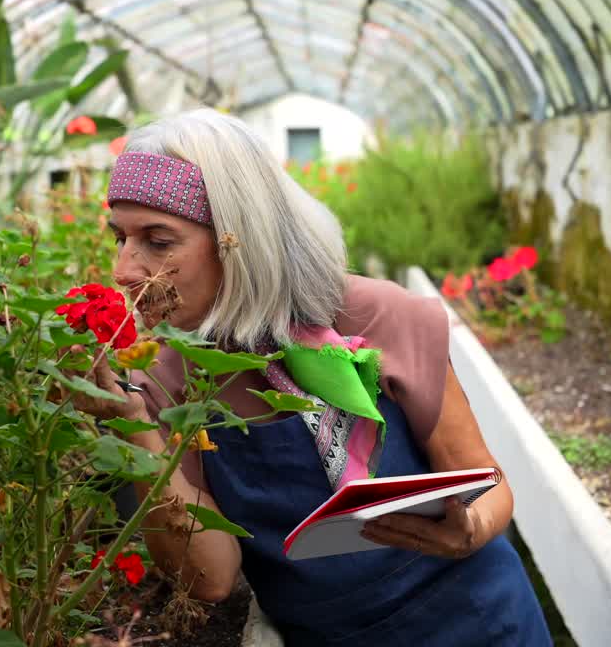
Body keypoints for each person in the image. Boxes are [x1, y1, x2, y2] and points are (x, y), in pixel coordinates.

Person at [72, 108, 552, 646]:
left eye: (158, 242)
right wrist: (133, 423)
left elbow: (486, 483)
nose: (125, 268)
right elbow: (209, 578)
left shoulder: (380, 316)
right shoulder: (163, 370)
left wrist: (469, 532)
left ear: (241, 239)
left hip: (478, 619)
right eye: (120, 238)